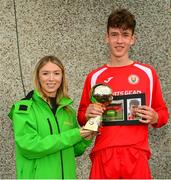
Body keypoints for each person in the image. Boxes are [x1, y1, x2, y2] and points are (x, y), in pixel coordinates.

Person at [78, 8, 169, 179]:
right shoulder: (94, 76)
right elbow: (82, 116)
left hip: (137, 155)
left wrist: (155, 117)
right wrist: (87, 114)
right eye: (114, 34)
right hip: (103, 154)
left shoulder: (147, 73)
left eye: (125, 35)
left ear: (133, 39)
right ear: (106, 37)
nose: (119, 41)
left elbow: (163, 113)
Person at [8, 55, 93, 179]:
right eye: (46, 73)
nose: (51, 79)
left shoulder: (67, 111)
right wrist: (76, 134)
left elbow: (74, 150)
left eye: (57, 73)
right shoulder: (23, 109)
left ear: (62, 77)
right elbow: (30, 147)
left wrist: (88, 135)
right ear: (38, 76)